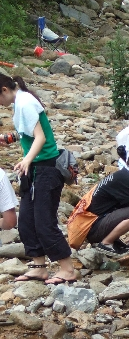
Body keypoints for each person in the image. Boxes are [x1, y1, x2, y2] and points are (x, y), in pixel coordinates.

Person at [0, 74, 77, 285]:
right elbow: (28, 134)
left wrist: (26, 160)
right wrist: (12, 139)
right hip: (34, 168)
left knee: (44, 221)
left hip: (46, 169)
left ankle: (67, 269)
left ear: (4, 90)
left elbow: (41, 137)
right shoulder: (21, 102)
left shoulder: (24, 103)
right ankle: (38, 266)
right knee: (26, 219)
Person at [86, 147, 129, 255]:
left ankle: (114, 241)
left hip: (98, 223)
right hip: (92, 228)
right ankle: (106, 243)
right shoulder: (126, 178)